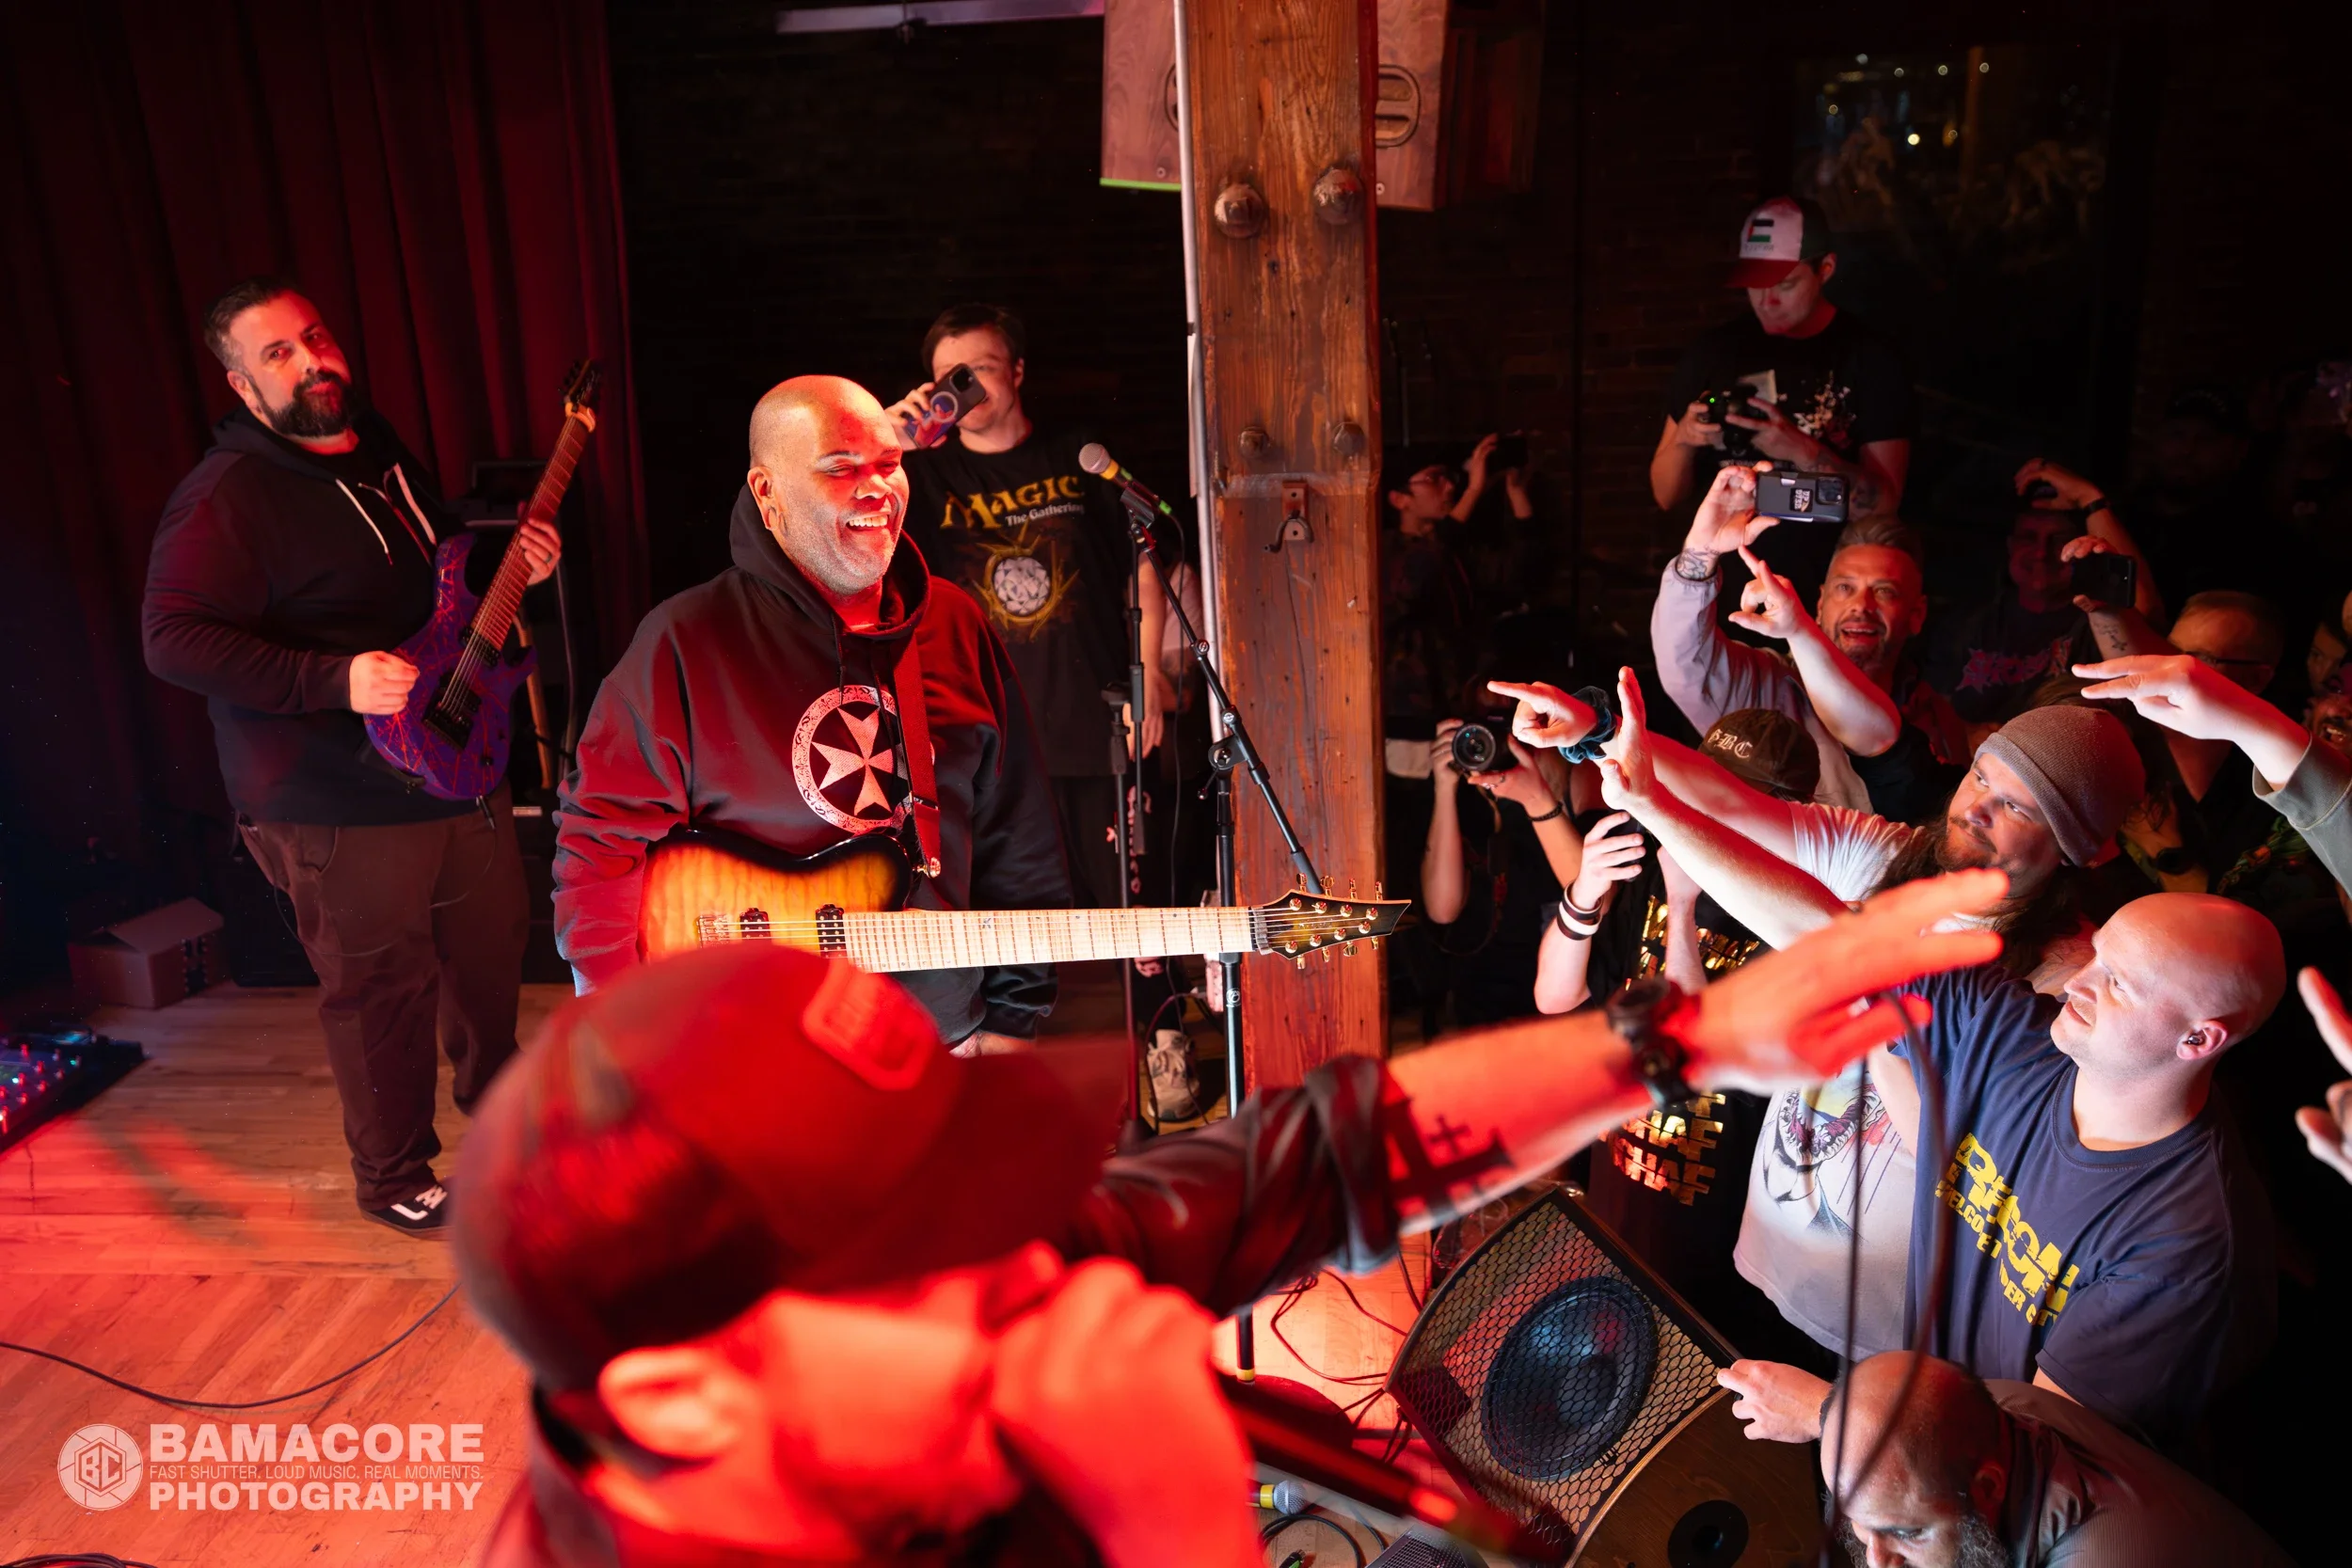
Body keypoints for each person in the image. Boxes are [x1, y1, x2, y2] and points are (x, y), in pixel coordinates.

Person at [452, 871, 2010, 1566]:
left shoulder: (1003, 1281)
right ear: (682, 1388)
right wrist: (1171, 1523)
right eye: (943, 1260)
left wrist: (1682, 1043)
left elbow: (1326, 1159)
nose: (1034, 1261)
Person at [143, 277, 558, 1235]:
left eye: (315, 335)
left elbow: (441, 563)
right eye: (278, 353)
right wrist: (334, 679)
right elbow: (171, 639)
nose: (312, 358)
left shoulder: (374, 441)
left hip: (453, 759)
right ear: (246, 388)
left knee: (490, 960)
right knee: (382, 992)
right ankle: (394, 1175)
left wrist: (513, 565)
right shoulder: (225, 496)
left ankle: (501, 1135)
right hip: (332, 796)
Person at [552, 376, 1070, 1053]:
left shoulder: (953, 623)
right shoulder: (687, 640)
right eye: (841, 468)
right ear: (767, 493)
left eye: (889, 464)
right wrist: (620, 1034)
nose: (878, 487)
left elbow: (1016, 833)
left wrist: (1012, 1018)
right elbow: (599, 848)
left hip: (939, 1044)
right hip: (759, 1055)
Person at [1715, 887, 2284, 1449]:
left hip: (1990, 1511)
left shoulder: (2189, 1245)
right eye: (2099, 955)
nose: (2079, 982)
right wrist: (1651, 804)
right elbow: (1839, 940)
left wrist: (1828, 1414)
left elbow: (2035, 1450)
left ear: (2198, 1037)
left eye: (2118, 983)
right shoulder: (2019, 1038)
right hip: (1910, 1425)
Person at [1493, 674, 2144, 990]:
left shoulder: (2069, 976)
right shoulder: (1888, 853)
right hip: (1767, 1239)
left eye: (2019, 807)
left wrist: (1659, 808)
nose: (1977, 809)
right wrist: (1597, 729)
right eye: (1980, 777)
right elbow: (1733, 802)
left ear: (2074, 850)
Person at [1545, 707, 1820, 1358]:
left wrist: (1687, 903)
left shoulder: (1792, 911)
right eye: (1702, 784)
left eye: (1732, 795)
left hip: (1709, 1241)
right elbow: (1555, 997)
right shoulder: (1652, 873)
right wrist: (1584, 894)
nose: (1704, 808)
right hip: (1619, 1202)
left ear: (1782, 814)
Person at [884, 305, 1171, 911]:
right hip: (984, 733)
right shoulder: (918, 478)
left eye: (981, 369)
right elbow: (847, 540)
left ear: (1016, 371)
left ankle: (1152, 1008)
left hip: (1095, 722)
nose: (965, 388)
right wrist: (884, 445)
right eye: (948, 377)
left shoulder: (1078, 456)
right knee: (1008, 921)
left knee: (1132, 911)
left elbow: (1143, 562)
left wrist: (1150, 682)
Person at [1654, 464, 1963, 820]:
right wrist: (1701, 552)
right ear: (1818, 603)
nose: (1861, 607)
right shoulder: (1767, 685)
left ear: (1916, 614)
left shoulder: (1940, 717)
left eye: (1884, 592)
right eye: (1845, 588)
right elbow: (1684, 662)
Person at [1782, 1352, 2296, 1566]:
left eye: (1905, 1533)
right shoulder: (2000, 1408)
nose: (1877, 1561)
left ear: (1986, 1486)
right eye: (1858, 1524)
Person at [1653, 196, 1916, 607]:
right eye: (1754, 284)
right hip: (1726, 596)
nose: (1766, 299)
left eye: (1785, 284)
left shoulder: (1869, 358)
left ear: (1825, 269)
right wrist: (1685, 440)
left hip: (1827, 600)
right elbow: (1664, 494)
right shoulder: (1714, 352)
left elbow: (1883, 507)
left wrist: (1799, 448)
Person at [1420, 718, 1582, 1026]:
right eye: (1484, 732)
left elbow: (1595, 898)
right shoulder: (1467, 800)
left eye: (1518, 732)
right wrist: (1444, 788)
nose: (1501, 745)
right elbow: (1443, 911)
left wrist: (1542, 789)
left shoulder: (1572, 778)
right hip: (1485, 1002)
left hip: (1569, 1005)